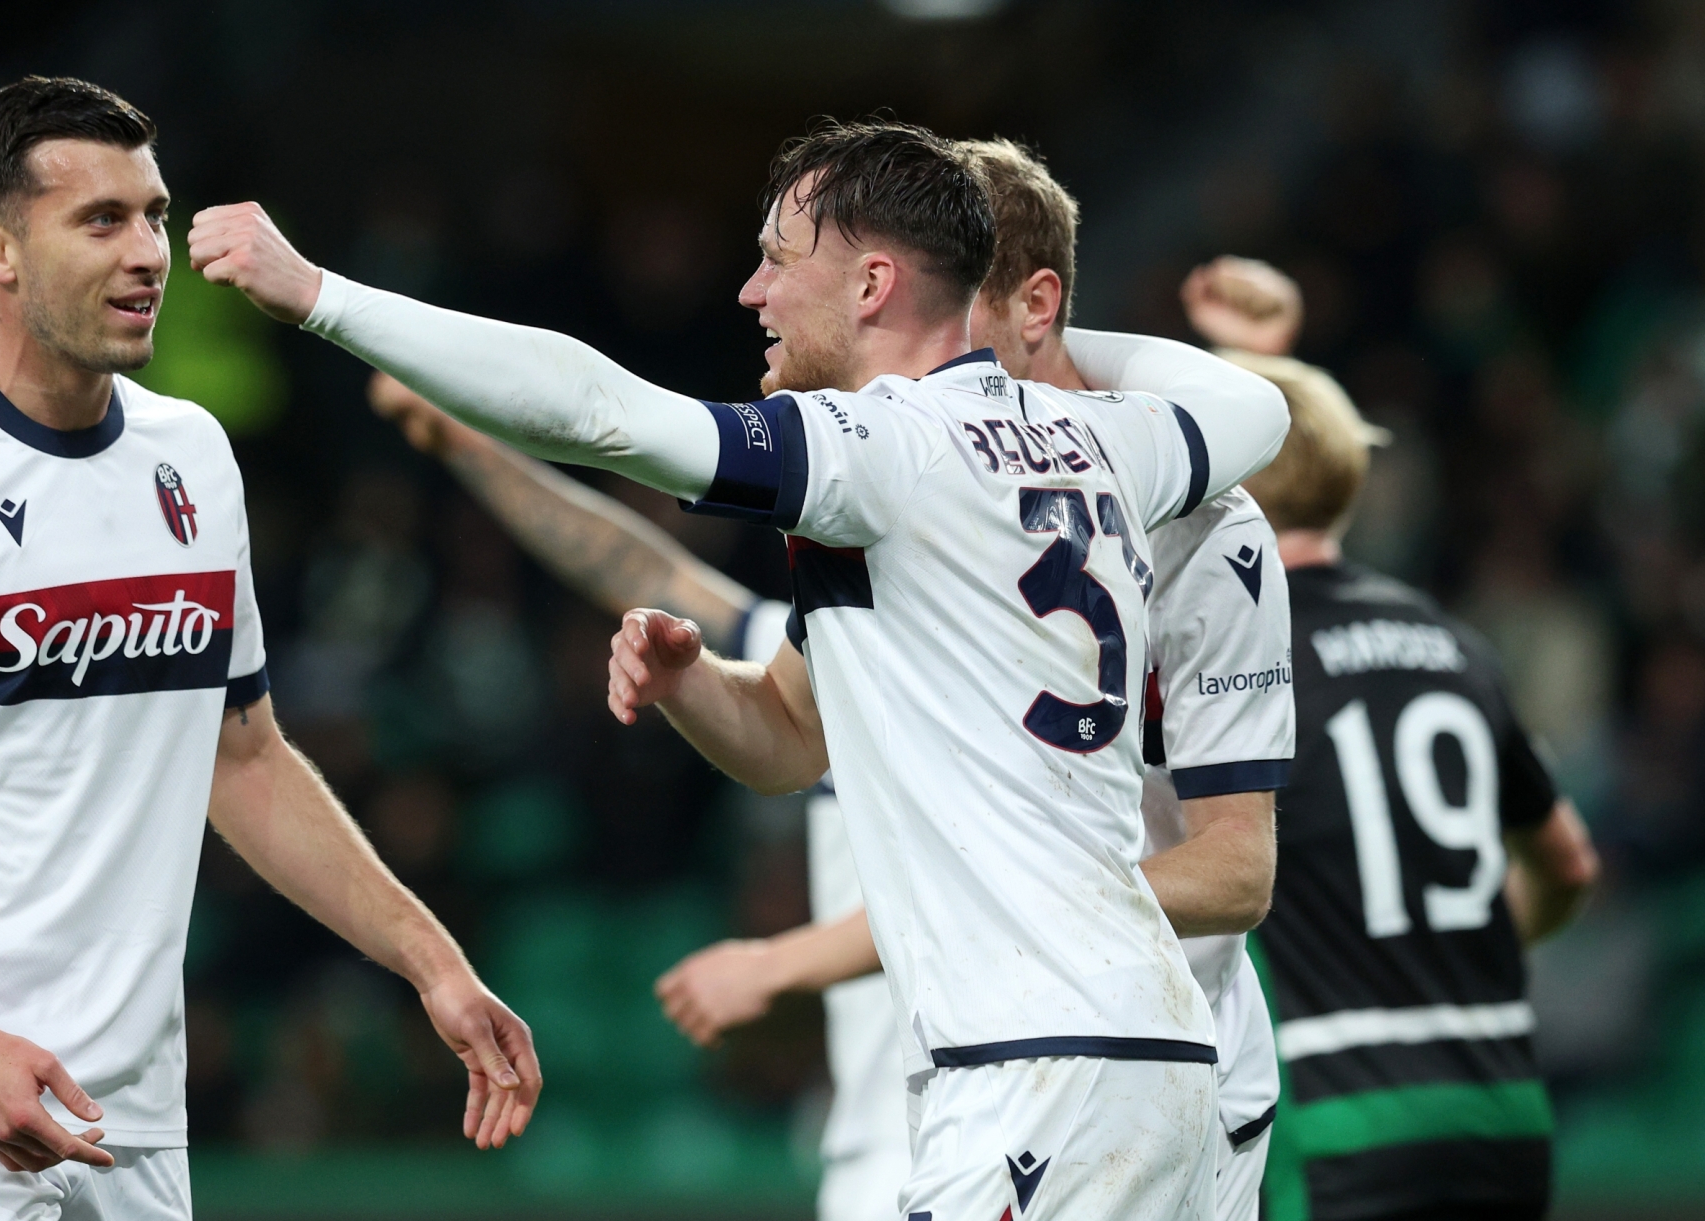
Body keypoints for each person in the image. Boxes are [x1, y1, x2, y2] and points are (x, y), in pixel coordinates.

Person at [191, 118, 1289, 1218]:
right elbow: (789, 742)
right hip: (1143, 1044)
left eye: (779, 256)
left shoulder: (879, 450)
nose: (752, 292)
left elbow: (604, 414)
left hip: (1039, 1062)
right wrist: (692, 686)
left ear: (871, 284)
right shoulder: (1108, 445)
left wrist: (322, 296)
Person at [0, 77, 539, 1221]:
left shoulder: (196, 460)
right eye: (101, 220)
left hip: (136, 1107)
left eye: (155, 215)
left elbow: (248, 760)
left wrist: (435, 966)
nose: (148, 253)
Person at [653, 139, 1293, 1221]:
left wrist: (807, 955)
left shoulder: (1202, 525)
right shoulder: (906, 491)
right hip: (1001, 1052)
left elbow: (1237, 870)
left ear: (1033, 305)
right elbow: (787, 732)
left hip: (1160, 1062)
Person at [365, 370, 894, 1220]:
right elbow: (638, 568)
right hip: (877, 1140)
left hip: (985, 1120)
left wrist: (780, 962)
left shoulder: (982, 695)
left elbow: (1005, 891)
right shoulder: (835, 642)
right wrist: (467, 445)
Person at [1179, 257, 1600, 1221]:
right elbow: (1569, 861)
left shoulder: (1242, 651)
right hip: (1502, 1108)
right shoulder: (1452, 641)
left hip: (1339, 1117)